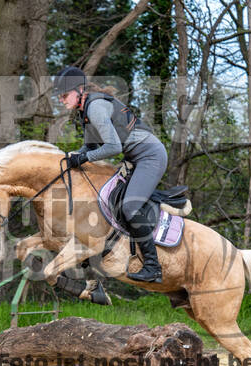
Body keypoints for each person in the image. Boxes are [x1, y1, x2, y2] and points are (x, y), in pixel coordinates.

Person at [53, 66, 167, 283]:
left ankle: (153, 266)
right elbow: (91, 145)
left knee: (129, 207)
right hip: (136, 158)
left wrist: (84, 159)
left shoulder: (95, 107)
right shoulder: (86, 109)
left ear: (79, 91)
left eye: (64, 95)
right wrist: (74, 157)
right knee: (106, 199)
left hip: (150, 156)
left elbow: (113, 147)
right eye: (59, 96)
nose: (61, 99)